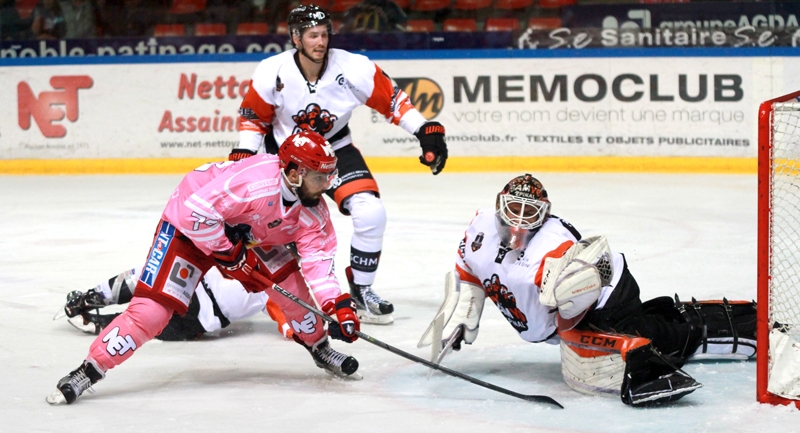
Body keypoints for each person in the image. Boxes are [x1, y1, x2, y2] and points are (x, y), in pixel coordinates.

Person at [47, 131, 362, 405]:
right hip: (188, 226)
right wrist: (228, 252)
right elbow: (195, 213)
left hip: (245, 235)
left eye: (329, 176)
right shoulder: (254, 183)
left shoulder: (313, 213)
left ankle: (319, 347)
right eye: (320, 177)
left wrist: (338, 307)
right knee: (152, 313)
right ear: (294, 174)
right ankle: (89, 369)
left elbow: (319, 265)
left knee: (291, 289)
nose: (327, 185)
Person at [418, 174, 757, 406]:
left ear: (543, 214)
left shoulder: (552, 248)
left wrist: (595, 343)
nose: (519, 221)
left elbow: (574, 305)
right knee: (635, 337)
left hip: (604, 302)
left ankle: (739, 328)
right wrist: (467, 312)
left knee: (659, 340)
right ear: (499, 205)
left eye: (529, 212)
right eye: (513, 209)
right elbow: (470, 268)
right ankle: (676, 317)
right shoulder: (479, 229)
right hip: (570, 309)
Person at [231, 4, 448, 325]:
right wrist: (245, 155)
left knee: (371, 213)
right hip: (286, 159)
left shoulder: (354, 67)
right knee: (282, 234)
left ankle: (361, 289)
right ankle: (289, 299)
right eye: (312, 35)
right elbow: (254, 119)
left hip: (335, 151)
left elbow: (393, 101)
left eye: (324, 34)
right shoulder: (271, 71)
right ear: (296, 38)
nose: (320, 42)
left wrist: (424, 130)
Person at [58, 264, 294, 341]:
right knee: (151, 288)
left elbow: (289, 325)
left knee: (150, 275)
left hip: (195, 304)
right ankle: (95, 314)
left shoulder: (277, 288)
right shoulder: (278, 287)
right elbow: (291, 325)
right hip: (198, 313)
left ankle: (92, 305)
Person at [341, 0, 407, 33]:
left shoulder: (390, 6)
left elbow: (402, 26)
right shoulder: (356, 8)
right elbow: (344, 28)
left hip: (382, 43)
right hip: (356, 42)